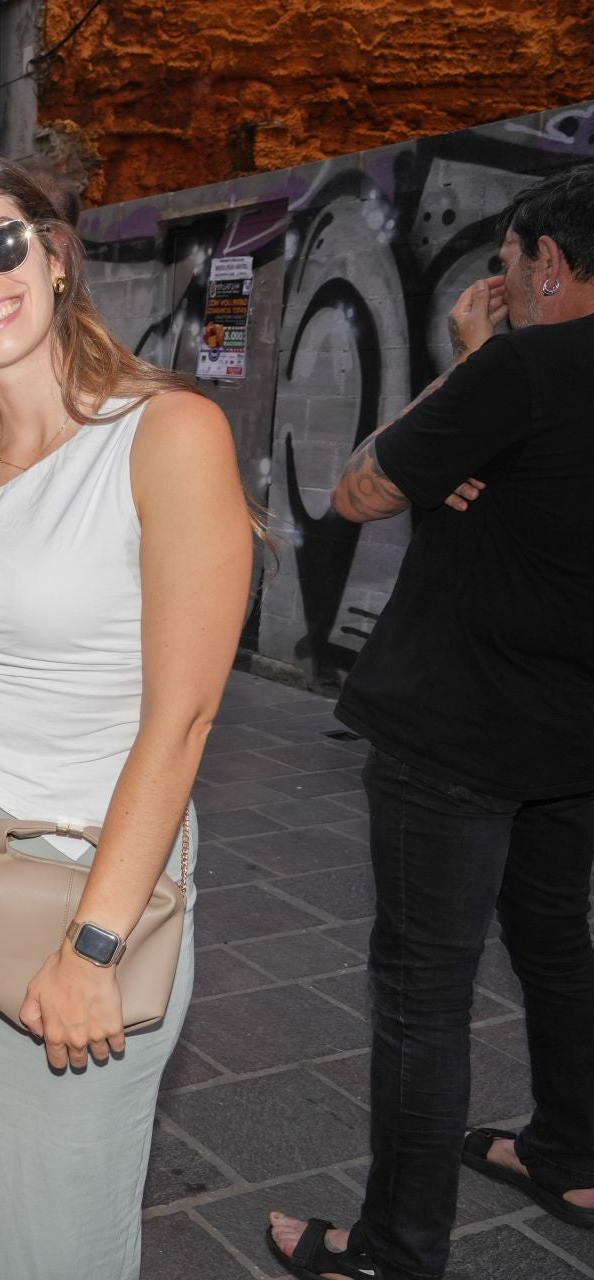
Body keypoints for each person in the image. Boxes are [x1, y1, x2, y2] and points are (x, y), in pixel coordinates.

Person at [0, 153, 254, 1278]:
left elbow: (181, 721)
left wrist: (96, 941)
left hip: (96, 886)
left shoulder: (168, 433)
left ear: (52, 253)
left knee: (58, 1228)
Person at [269, 162, 594, 1280]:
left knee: (423, 987)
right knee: (557, 943)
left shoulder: (524, 368)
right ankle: (571, 1150)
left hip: (456, 727)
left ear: (548, 261)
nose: (500, 281)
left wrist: (473, 363)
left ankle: (398, 1251)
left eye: (505, 266)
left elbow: (360, 487)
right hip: (575, 729)